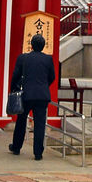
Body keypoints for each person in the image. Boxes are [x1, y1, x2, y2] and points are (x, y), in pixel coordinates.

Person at [8, 33, 56, 161]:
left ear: (31, 45)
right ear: (43, 46)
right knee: (40, 124)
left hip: (27, 94)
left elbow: (16, 75)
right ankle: (38, 153)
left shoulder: (23, 58)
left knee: (21, 121)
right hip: (42, 95)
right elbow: (52, 77)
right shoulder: (48, 59)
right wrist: (44, 86)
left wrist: (13, 88)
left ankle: (16, 147)